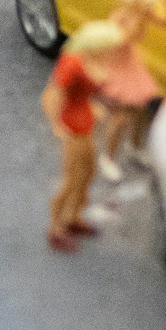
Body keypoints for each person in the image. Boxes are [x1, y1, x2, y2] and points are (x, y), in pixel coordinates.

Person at [43, 21, 123, 250]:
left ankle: (73, 216)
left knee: (87, 173)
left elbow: (91, 89)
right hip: (72, 126)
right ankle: (56, 227)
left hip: (84, 121)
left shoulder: (95, 61)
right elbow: (52, 95)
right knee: (71, 179)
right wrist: (58, 125)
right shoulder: (73, 63)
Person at [95, 0, 166, 180]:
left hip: (131, 62)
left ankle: (135, 145)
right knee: (120, 117)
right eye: (147, 4)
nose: (150, 7)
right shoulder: (120, 16)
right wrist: (141, 18)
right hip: (116, 65)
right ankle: (108, 157)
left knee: (142, 108)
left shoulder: (142, 14)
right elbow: (121, 40)